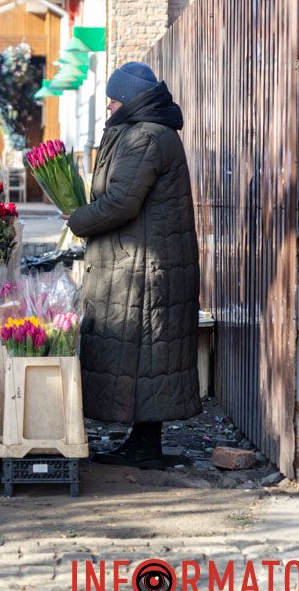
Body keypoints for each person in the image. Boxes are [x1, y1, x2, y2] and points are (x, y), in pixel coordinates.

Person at [66, 62, 201, 470]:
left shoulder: (145, 136)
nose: (108, 106)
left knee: (147, 353)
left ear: (128, 99)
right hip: (141, 260)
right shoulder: (151, 131)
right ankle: (141, 442)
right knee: (148, 358)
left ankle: (145, 446)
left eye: (111, 99)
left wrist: (77, 220)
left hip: (144, 268)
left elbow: (122, 201)